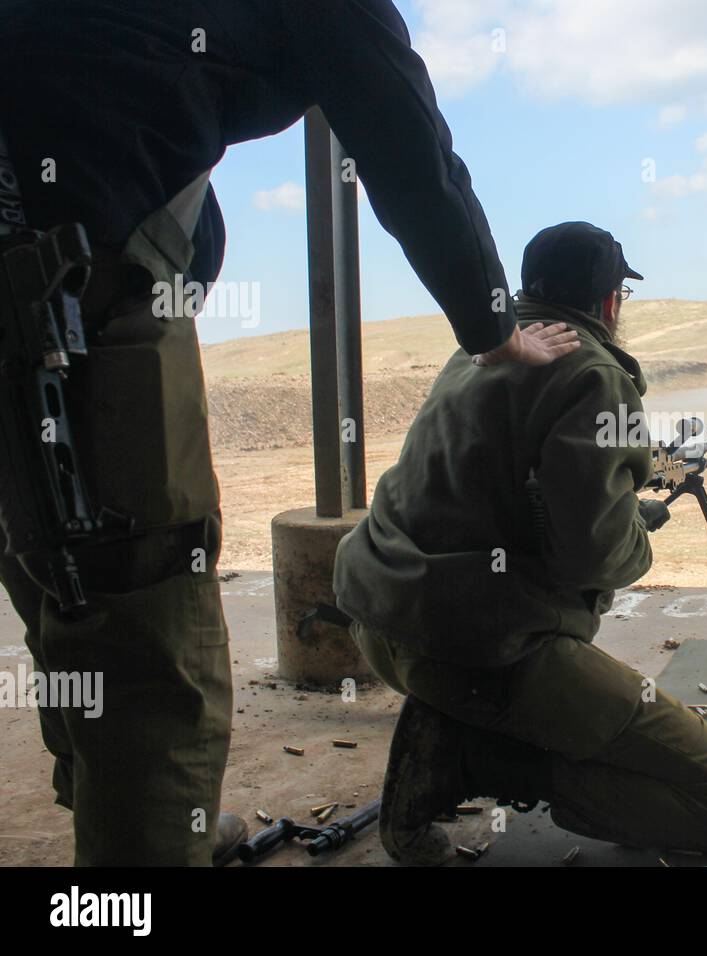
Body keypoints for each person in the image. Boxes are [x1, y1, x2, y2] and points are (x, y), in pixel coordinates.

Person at [0, 0, 576, 866]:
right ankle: (147, 847)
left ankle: (139, 818)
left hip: (36, 280)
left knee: (58, 576)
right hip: (73, 298)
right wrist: (494, 328)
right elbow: (413, 154)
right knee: (145, 622)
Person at [334, 222, 707, 864]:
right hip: (480, 649)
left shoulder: (483, 346)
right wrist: (637, 533)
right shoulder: (594, 375)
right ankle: (482, 759)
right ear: (609, 303)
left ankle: (453, 726)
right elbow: (594, 557)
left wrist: (616, 500)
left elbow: (501, 480)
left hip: (379, 620)